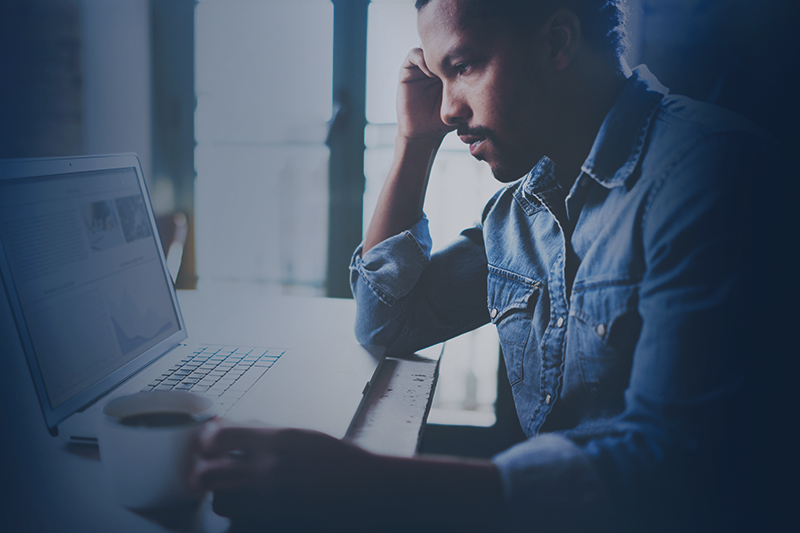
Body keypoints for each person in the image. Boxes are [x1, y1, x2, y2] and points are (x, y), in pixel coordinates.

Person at [192, 1, 788, 531]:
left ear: (556, 42)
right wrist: (413, 142)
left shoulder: (710, 176)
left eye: (465, 66)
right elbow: (385, 322)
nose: (448, 109)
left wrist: (372, 484)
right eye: (438, 74)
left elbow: (675, 473)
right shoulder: (522, 211)